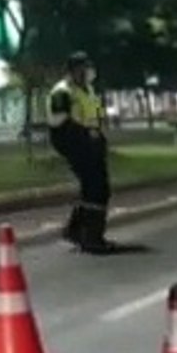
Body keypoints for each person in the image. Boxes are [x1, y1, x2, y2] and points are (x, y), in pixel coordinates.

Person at [48, 51, 116, 253]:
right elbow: (58, 123)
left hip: (90, 143)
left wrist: (98, 136)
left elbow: (95, 115)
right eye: (83, 68)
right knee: (96, 188)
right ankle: (91, 237)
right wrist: (85, 137)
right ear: (73, 70)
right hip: (75, 142)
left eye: (87, 68)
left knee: (95, 188)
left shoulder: (87, 89)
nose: (87, 72)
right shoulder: (62, 92)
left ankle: (77, 231)